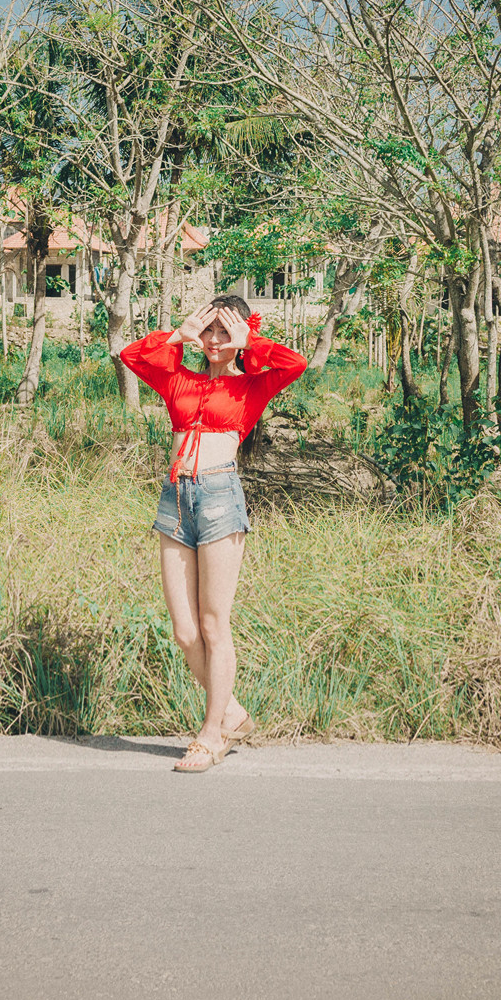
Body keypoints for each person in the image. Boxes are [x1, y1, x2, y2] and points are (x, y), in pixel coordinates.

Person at [119, 295, 307, 772]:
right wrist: (180, 334)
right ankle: (233, 713)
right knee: (184, 631)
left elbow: (295, 362)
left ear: (240, 334)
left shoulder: (254, 385)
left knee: (211, 623)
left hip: (221, 495)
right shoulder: (177, 376)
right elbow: (132, 356)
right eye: (210, 331)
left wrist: (250, 342)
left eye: (226, 332)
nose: (216, 341)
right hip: (175, 498)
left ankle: (210, 734)